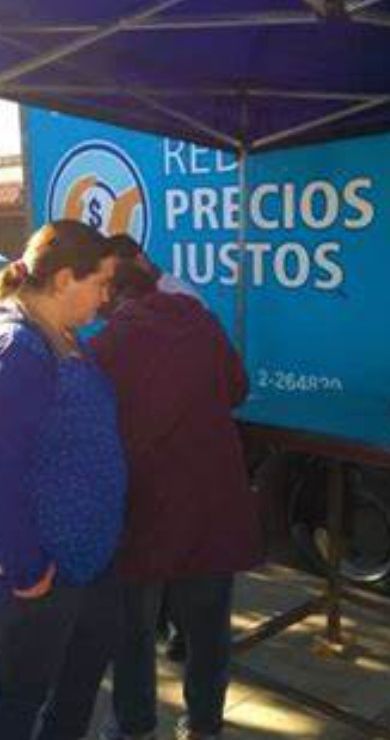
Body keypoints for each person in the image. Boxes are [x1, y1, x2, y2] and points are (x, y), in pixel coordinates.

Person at [0, 220, 126, 740]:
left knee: (79, 674)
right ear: (65, 278)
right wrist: (27, 571)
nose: (107, 297)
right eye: (101, 284)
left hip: (75, 553)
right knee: (21, 690)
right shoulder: (16, 349)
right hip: (23, 560)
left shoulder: (58, 332)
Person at [92, 256, 261, 740]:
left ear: (112, 294)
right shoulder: (202, 322)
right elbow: (237, 388)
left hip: (143, 507)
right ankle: (205, 725)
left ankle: (133, 725)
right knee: (208, 631)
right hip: (210, 501)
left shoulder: (109, 343)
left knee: (133, 633)